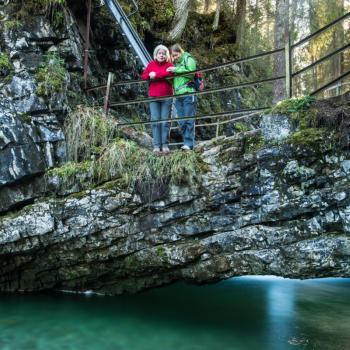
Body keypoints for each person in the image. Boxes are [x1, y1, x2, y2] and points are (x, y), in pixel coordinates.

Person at [141, 45, 174, 154]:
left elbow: (169, 73)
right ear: (156, 54)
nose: (161, 55)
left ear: (166, 55)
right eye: (160, 53)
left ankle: (164, 145)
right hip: (154, 97)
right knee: (155, 120)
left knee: (165, 121)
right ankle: (156, 145)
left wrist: (156, 75)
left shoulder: (169, 65)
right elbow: (144, 76)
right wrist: (150, 75)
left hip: (167, 96)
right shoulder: (151, 64)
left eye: (164, 54)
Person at [167, 44, 197, 151]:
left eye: (176, 55)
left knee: (189, 119)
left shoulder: (188, 58)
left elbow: (191, 73)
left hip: (188, 93)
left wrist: (175, 69)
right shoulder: (176, 65)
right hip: (178, 95)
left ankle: (189, 144)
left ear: (180, 51)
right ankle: (186, 142)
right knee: (181, 120)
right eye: (173, 56)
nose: (175, 58)